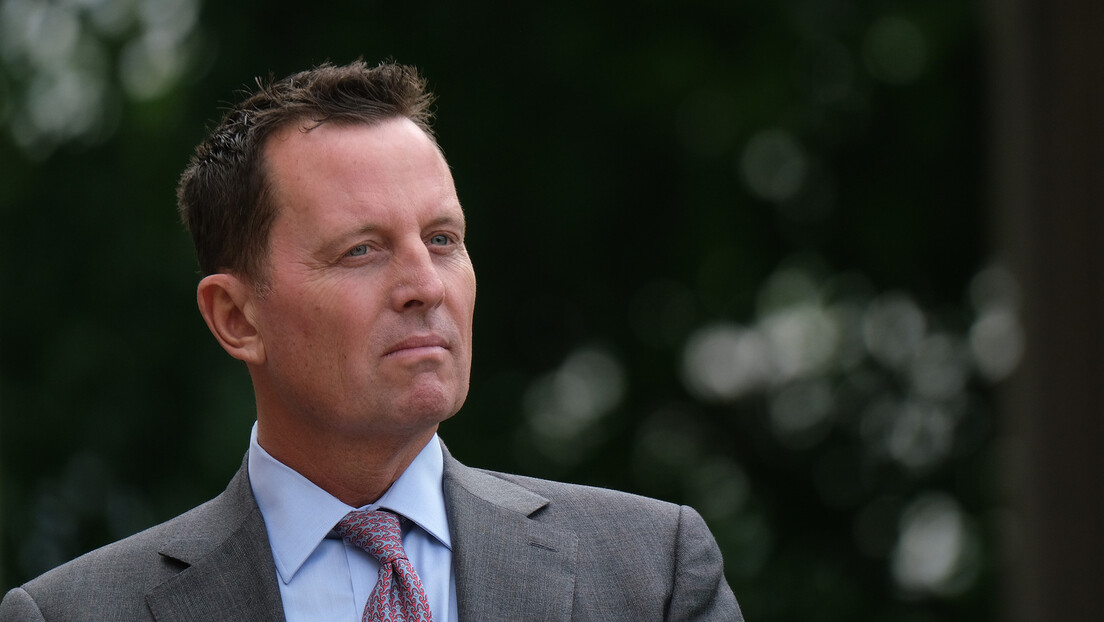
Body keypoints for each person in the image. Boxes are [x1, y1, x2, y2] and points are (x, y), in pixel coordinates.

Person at [0, 60, 742, 621]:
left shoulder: (652, 571)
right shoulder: (73, 614)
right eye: (361, 250)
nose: (426, 286)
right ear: (236, 317)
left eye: (442, 239)